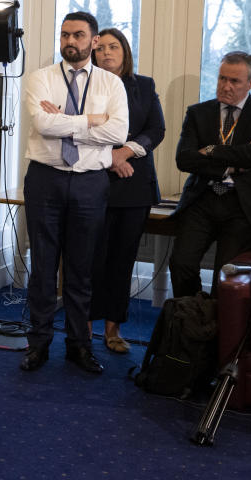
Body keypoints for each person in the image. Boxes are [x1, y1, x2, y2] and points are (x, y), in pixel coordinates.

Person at [19, 11, 129, 374]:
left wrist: (68, 124)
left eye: (79, 35)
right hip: (45, 179)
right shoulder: (40, 79)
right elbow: (42, 123)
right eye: (65, 35)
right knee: (43, 268)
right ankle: (38, 345)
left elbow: (117, 134)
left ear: (93, 41)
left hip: (88, 182)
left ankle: (79, 346)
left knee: (81, 270)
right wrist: (91, 120)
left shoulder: (111, 85)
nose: (70, 42)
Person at [169, 51, 251, 298]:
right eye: (222, 78)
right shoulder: (198, 113)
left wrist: (210, 150)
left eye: (235, 81)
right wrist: (235, 162)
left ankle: (218, 329)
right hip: (203, 199)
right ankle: (193, 320)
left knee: (226, 274)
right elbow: (185, 159)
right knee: (181, 263)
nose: (226, 87)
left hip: (244, 205)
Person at [89, 28, 165, 353]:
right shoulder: (82, 87)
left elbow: (156, 129)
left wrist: (126, 151)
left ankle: (113, 329)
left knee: (122, 260)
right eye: (101, 47)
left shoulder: (144, 86)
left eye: (114, 46)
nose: (107, 52)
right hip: (92, 183)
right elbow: (75, 129)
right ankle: (81, 328)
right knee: (91, 260)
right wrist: (110, 157)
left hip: (134, 186)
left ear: (125, 52)